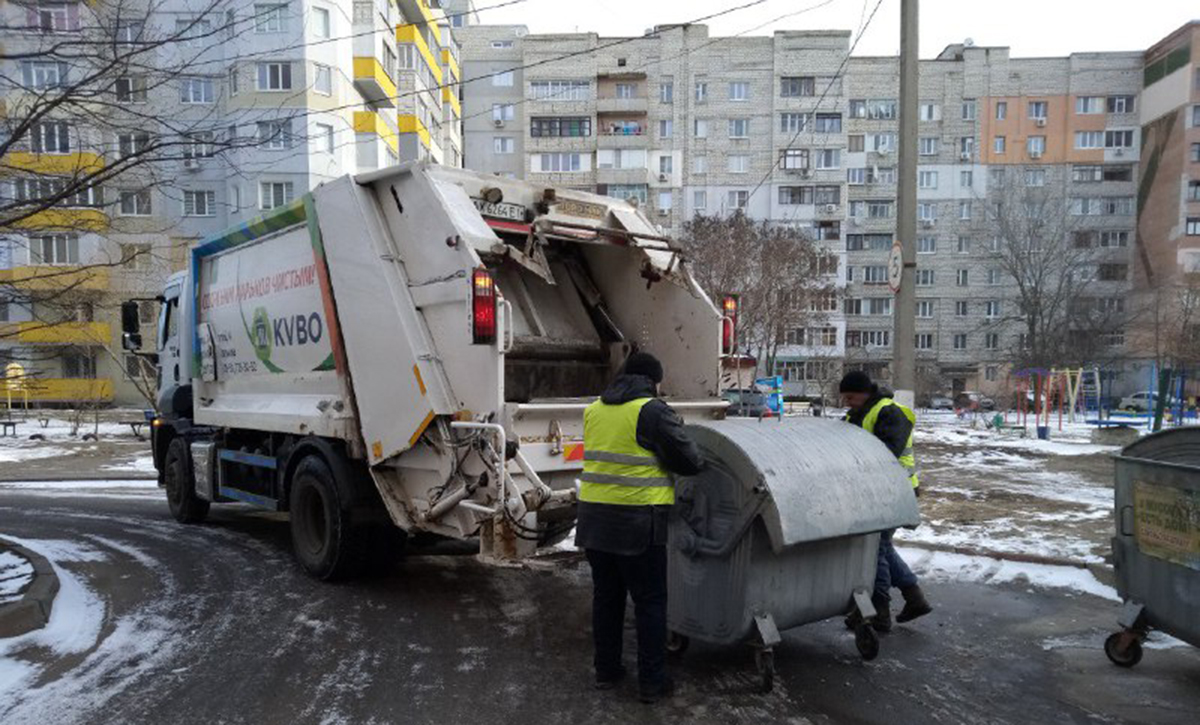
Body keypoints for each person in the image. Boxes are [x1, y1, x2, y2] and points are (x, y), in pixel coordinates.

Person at [576, 351, 705, 704]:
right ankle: (652, 682)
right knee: (649, 603)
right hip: (637, 524)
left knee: (607, 598)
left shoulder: (594, 410)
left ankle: (607, 671)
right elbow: (690, 461)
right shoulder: (652, 411)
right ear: (653, 380)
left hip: (594, 521)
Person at [839, 370, 933, 632]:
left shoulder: (889, 411)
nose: (846, 401)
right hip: (874, 491)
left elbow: (885, 452)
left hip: (893, 489)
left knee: (875, 551)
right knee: (881, 547)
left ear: (864, 392)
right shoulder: (855, 414)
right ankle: (914, 598)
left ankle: (878, 612)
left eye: (850, 396)